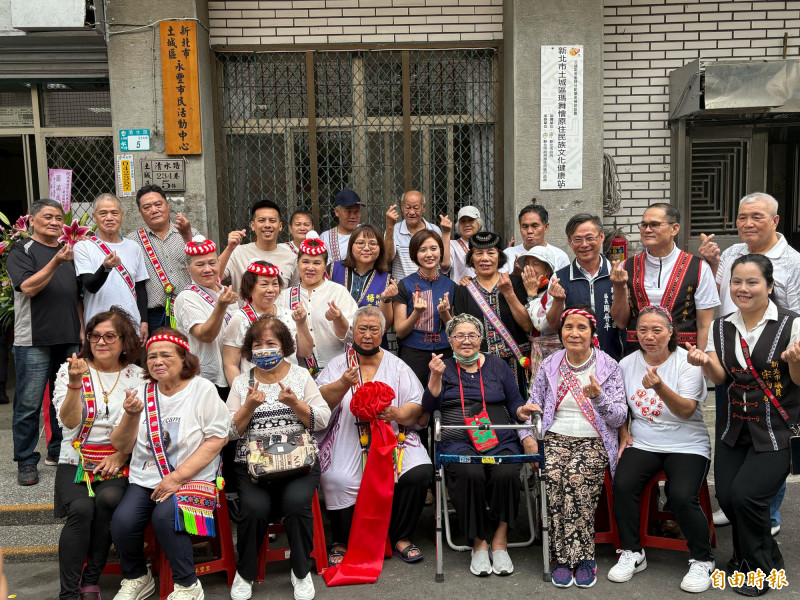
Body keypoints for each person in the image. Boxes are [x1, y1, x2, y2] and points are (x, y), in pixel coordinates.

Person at [687, 254, 800, 597]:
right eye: (737, 281)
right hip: (734, 426)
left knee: (748, 496)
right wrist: (705, 364)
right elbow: (722, 377)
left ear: (769, 286)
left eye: (752, 282)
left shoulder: (791, 324)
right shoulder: (723, 326)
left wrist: (795, 363)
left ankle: (759, 571)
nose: (743, 289)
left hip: (777, 427)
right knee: (728, 497)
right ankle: (757, 556)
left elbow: (798, 380)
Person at [698, 192, 800, 534]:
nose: (748, 223)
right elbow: (722, 295)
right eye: (742, 217)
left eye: (756, 216)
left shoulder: (793, 261)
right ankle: (736, 500)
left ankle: (765, 513)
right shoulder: (732, 253)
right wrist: (712, 266)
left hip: (773, 363)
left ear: (775, 220)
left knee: (770, 439)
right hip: (732, 356)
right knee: (735, 433)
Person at [109, 329, 229, 600]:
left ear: (183, 358)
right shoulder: (141, 391)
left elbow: (217, 440)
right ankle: (137, 577)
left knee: (165, 517)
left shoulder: (202, 389)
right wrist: (130, 416)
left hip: (193, 477)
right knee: (122, 523)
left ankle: (188, 585)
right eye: (151, 357)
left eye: (165, 355)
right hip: (146, 477)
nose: (157, 362)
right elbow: (121, 445)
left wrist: (177, 478)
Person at [421, 314, 536, 577]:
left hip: (499, 438)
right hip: (457, 439)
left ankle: (500, 539)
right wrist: (435, 379)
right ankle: (478, 542)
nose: (466, 341)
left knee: (506, 472)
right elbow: (429, 410)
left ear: (481, 339)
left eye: (472, 335)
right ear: (450, 340)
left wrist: (522, 413)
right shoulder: (442, 366)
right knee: (468, 472)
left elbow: (515, 402)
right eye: (459, 335)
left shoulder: (497, 365)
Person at [610, 306, 714, 593]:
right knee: (623, 484)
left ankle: (702, 559)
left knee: (680, 494)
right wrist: (624, 432)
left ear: (671, 333)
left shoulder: (686, 362)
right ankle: (632, 551)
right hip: (644, 441)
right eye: (642, 330)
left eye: (657, 330)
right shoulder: (626, 364)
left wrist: (659, 387)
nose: (649, 336)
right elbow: (621, 407)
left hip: (687, 443)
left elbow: (684, 410)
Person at [316, 306, 432, 565]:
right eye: (362, 329)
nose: (367, 335)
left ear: (383, 333)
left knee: (419, 471)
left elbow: (417, 403)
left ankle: (400, 536)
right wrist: (343, 384)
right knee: (337, 478)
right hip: (348, 435)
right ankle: (342, 540)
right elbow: (319, 402)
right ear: (353, 332)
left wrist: (398, 413)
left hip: (393, 437)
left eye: (374, 329)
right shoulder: (338, 365)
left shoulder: (397, 366)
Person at [226, 316, 331, 600]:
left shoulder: (300, 376)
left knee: (297, 504)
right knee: (253, 508)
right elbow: (228, 432)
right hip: (253, 468)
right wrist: (247, 407)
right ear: (250, 349)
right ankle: (245, 573)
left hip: (299, 465)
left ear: (284, 346)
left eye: (270, 343)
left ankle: (301, 571)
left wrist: (295, 403)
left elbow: (321, 419)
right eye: (257, 344)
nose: (263, 350)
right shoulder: (240, 383)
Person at [524, 306, 627, 589]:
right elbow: (533, 405)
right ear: (561, 333)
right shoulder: (550, 364)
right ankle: (562, 559)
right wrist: (527, 431)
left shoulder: (608, 366)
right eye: (569, 327)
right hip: (555, 435)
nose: (574, 333)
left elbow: (618, 417)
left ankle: (584, 559)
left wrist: (599, 398)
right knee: (554, 479)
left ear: (593, 334)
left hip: (594, 438)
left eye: (582, 327)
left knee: (575, 479)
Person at [53, 307, 145, 600]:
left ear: (125, 341)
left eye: (109, 336)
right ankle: (68, 593)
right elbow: (68, 422)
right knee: (81, 509)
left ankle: (91, 581)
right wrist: (75, 383)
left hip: (119, 460)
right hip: (75, 458)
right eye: (95, 336)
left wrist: (121, 456)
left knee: (108, 499)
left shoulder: (138, 376)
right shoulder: (72, 369)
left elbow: (146, 429)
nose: (101, 342)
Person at [7, 199, 82, 485]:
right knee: (28, 404)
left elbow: (75, 295)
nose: (54, 222)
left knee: (63, 398)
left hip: (68, 337)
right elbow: (28, 287)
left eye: (58, 218)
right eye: (47, 217)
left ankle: (59, 452)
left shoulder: (70, 253)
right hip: (33, 340)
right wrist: (56, 261)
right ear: (33, 220)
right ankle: (26, 461)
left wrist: (81, 330)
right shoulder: (22, 250)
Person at [610, 203, 719, 353]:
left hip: (683, 357)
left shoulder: (699, 268)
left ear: (674, 229)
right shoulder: (625, 267)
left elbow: (704, 325)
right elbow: (621, 322)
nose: (647, 230)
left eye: (654, 224)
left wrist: (701, 364)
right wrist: (619, 286)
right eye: (643, 225)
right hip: (638, 355)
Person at [453, 231, 534, 396]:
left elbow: (527, 325)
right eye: (479, 253)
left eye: (491, 253)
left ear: (499, 257)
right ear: (471, 258)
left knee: (518, 411)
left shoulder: (516, 283)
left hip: (516, 363)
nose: (485, 258)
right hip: (479, 365)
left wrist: (509, 294)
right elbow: (461, 331)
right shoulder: (463, 289)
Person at [276, 234, 358, 375]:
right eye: (305, 262)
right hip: (299, 373)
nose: (310, 267)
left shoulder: (338, 292)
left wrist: (339, 318)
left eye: (316, 263)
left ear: (324, 266)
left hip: (337, 371)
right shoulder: (284, 296)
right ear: (298, 264)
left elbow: (353, 335)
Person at [546, 214, 624, 360]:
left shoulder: (618, 274)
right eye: (577, 239)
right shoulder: (559, 278)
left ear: (601, 237)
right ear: (569, 242)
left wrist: (620, 287)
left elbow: (622, 321)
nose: (584, 245)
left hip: (613, 358)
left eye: (590, 238)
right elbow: (554, 325)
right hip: (574, 363)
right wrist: (557, 301)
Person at [222, 260, 313, 385]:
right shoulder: (240, 319)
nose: (271, 290)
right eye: (264, 284)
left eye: (275, 284)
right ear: (249, 289)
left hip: (290, 388)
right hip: (255, 391)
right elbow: (230, 364)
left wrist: (301, 323)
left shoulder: (289, 315)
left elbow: (306, 353)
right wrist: (243, 395)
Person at [73, 193, 149, 342]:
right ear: (94, 217)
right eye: (103, 213)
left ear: (121, 215)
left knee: (130, 365)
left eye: (114, 213)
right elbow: (90, 285)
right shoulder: (83, 247)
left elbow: (140, 287)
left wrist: (144, 321)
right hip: (97, 326)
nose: (109, 217)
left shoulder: (134, 247)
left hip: (130, 325)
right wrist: (105, 267)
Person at [127, 184, 202, 333]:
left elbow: (204, 266)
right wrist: (142, 320)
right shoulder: (133, 241)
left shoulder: (190, 233)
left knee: (190, 355)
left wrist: (188, 237)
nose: (154, 210)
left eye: (158, 204)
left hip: (190, 309)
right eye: (147, 207)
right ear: (140, 212)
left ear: (167, 206)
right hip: (155, 316)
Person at [173, 240, 239, 394]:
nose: (207, 269)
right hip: (206, 379)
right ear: (188, 269)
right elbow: (205, 335)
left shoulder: (226, 292)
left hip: (234, 373)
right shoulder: (187, 297)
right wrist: (221, 306)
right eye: (200, 265)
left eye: (212, 263)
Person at [393, 229, 455, 390]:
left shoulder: (451, 285)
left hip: (445, 353)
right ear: (415, 254)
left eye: (433, 248)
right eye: (423, 250)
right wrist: (416, 313)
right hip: (413, 352)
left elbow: (455, 330)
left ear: (441, 251)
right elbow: (400, 331)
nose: (429, 254)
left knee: (444, 398)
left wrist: (445, 314)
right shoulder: (404, 285)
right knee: (414, 399)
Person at [327, 223, 397, 331]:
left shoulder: (386, 279)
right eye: (360, 243)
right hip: (336, 340)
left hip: (371, 342)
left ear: (380, 248)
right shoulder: (333, 269)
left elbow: (385, 327)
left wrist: (386, 299)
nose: (366, 248)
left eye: (372, 244)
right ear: (351, 246)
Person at [219, 200, 299, 294]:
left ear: (280, 226)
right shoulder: (238, 252)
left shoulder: (291, 258)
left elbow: (294, 294)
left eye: (272, 221)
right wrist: (229, 248)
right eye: (262, 220)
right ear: (252, 225)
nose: (267, 225)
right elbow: (216, 277)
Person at [385, 191, 444, 281]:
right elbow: (388, 257)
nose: (412, 212)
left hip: (429, 286)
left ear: (424, 208)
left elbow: (441, 264)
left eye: (416, 208)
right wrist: (389, 226)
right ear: (402, 207)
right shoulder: (393, 230)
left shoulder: (434, 230)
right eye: (407, 208)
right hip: (402, 289)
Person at [502, 204, 570, 274]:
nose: (529, 231)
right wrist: (515, 275)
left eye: (535, 226)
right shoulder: (508, 254)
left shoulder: (560, 256)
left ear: (546, 227)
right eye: (525, 226)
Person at [320, 189, 362, 264]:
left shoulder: (367, 233)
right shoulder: (326, 238)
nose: (353, 216)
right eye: (348, 211)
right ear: (337, 211)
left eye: (356, 211)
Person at [448, 205, 482, 283]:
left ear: (479, 223)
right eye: (463, 221)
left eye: (471, 220)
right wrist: (446, 233)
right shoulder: (452, 245)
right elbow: (445, 267)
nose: (467, 224)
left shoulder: (486, 244)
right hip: (462, 290)